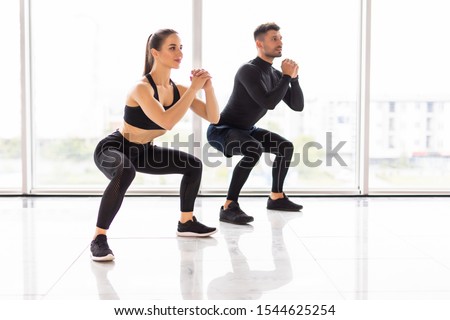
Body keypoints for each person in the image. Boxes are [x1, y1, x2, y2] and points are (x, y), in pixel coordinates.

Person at [91, 29, 220, 261]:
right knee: (125, 170)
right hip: (115, 148)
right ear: (155, 53)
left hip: (144, 151)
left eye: (181, 47)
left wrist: (208, 89)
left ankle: (186, 222)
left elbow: (213, 117)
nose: (179, 53)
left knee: (193, 165)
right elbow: (167, 121)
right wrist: (193, 89)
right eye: (172, 47)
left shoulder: (177, 90)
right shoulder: (142, 88)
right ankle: (98, 238)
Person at [207, 22, 304, 225]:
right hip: (221, 131)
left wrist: (293, 79)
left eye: (280, 38)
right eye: (274, 39)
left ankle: (276, 197)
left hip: (246, 130)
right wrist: (286, 76)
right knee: (254, 149)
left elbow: (297, 106)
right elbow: (268, 102)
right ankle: (228, 207)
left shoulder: (275, 74)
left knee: (285, 147)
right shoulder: (248, 70)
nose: (280, 43)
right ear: (259, 44)